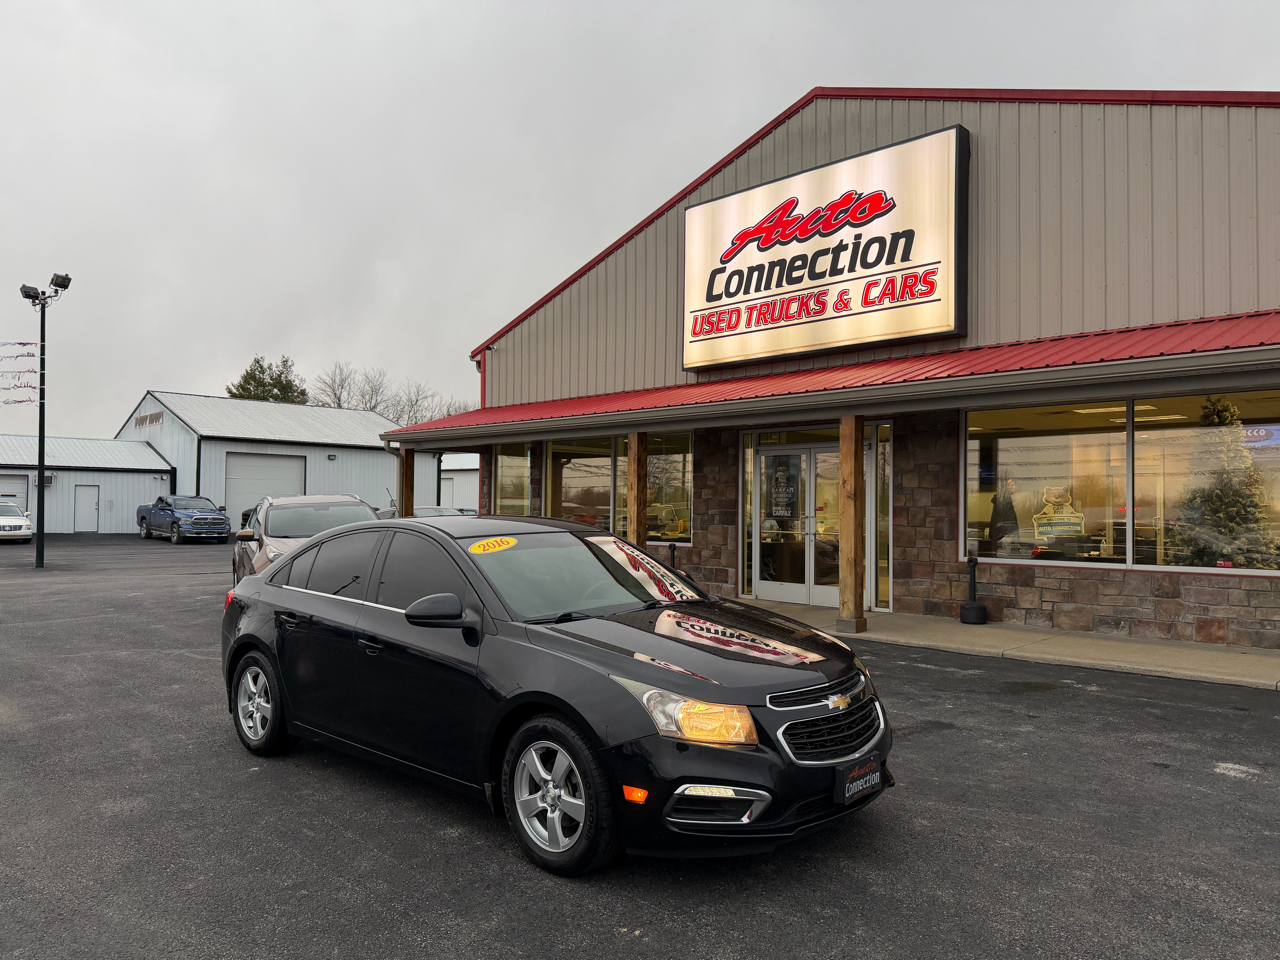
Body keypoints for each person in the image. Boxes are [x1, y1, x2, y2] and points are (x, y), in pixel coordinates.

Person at [989, 477, 1021, 543]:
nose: (1014, 487)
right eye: (1011, 485)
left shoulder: (1005, 500)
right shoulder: (1004, 501)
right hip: (1006, 537)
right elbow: (1007, 522)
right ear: (1005, 487)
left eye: (1014, 485)